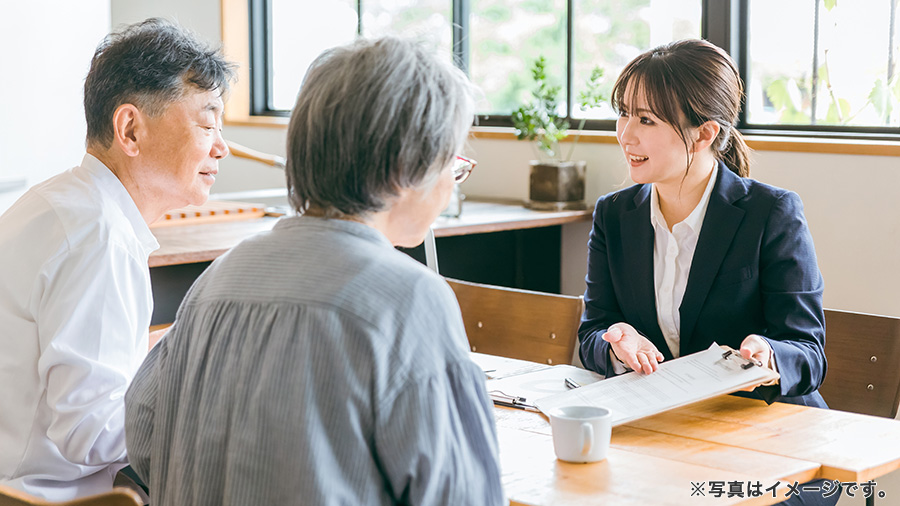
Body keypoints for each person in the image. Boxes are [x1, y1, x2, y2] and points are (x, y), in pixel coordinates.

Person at [124, 37, 504, 506]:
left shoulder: (218, 280)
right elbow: (463, 496)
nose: (452, 182)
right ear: (408, 166)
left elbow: (142, 437)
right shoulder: (409, 299)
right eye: (453, 163)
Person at [578, 39, 834, 505]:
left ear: (704, 134)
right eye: (623, 113)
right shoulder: (614, 215)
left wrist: (769, 355)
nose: (624, 134)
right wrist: (618, 343)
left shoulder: (771, 212)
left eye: (646, 120)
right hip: (665, 439)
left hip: (771, 445)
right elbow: (592, 332)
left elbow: (809, 353)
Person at [0, 18, 233, 500]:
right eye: (207, 123)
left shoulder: (60, 202)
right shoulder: (100, 237)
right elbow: (90, 430)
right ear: (130, 129)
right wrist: (207, 403)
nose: (221, 147)